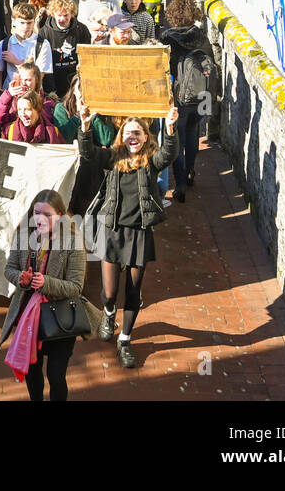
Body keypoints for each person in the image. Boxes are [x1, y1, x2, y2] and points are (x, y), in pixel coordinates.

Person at [79, 100, 180, 368]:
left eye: (138, 133)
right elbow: (87, 154)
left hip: (139, 233)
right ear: (121, 137)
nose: (132, 137)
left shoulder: (151, 161)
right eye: (128, 133)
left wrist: (170, 128)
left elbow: (168, 155)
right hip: (112, 230)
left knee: (133, 291)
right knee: (110, 293)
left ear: (146, 137)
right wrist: (85, 125)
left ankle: (125, 339)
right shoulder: (111, 158)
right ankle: (109, 314)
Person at [0, 189, 103, 400]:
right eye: (37, 212)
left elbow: (75, 287)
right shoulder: (23, 236)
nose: (40, 218)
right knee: (32, 371)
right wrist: (21, 278)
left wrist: (47, 283)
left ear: (61, 216)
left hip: (60, 319)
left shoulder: (73, 242)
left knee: (56, 376)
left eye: (47, 214)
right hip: (29, 317)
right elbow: (9, 269)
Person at [160, 0, 216, 203]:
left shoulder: (167, 38)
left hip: (179, 95)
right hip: (202, 95)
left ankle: (181, 183)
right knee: (193, 133)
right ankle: (191, 170)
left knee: (177, 138)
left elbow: (164, 67)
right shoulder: (201, 36)